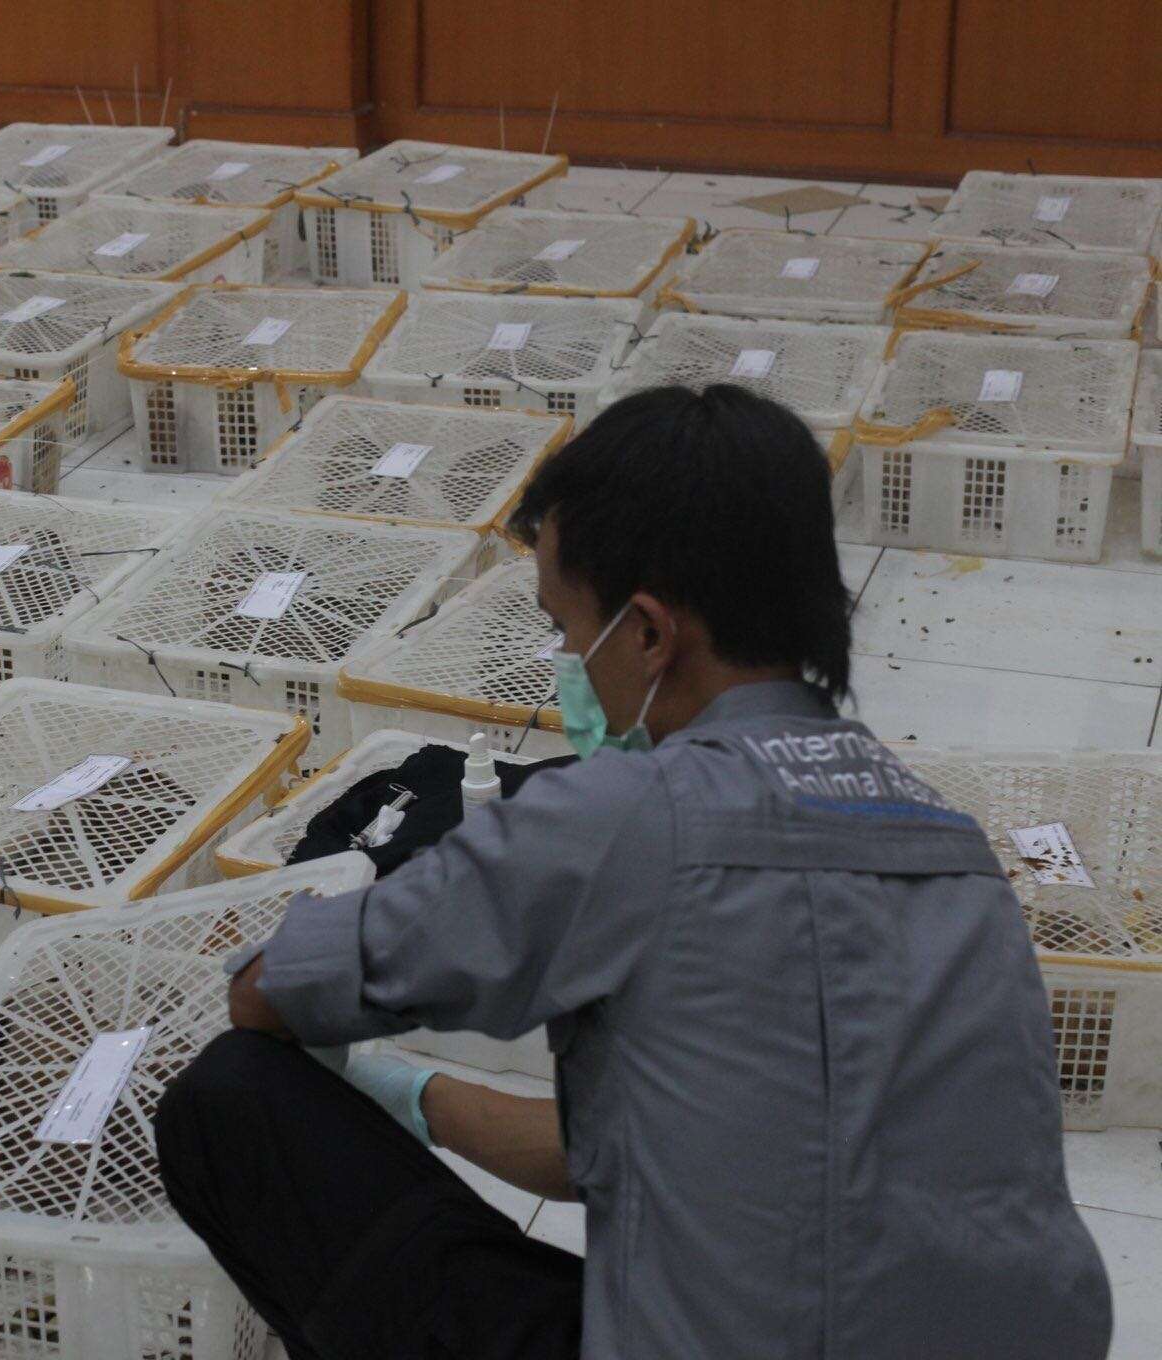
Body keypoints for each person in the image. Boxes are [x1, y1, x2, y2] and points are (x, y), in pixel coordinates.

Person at [153, 385, 1112, 1360]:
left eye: (568, 630)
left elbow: (273, 994)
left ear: (649, 634)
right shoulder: (955, 853)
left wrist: (283, 1006)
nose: (569, 660)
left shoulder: (617, 817)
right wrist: (410, 1094)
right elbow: (631, 1150)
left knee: (230, 1103)